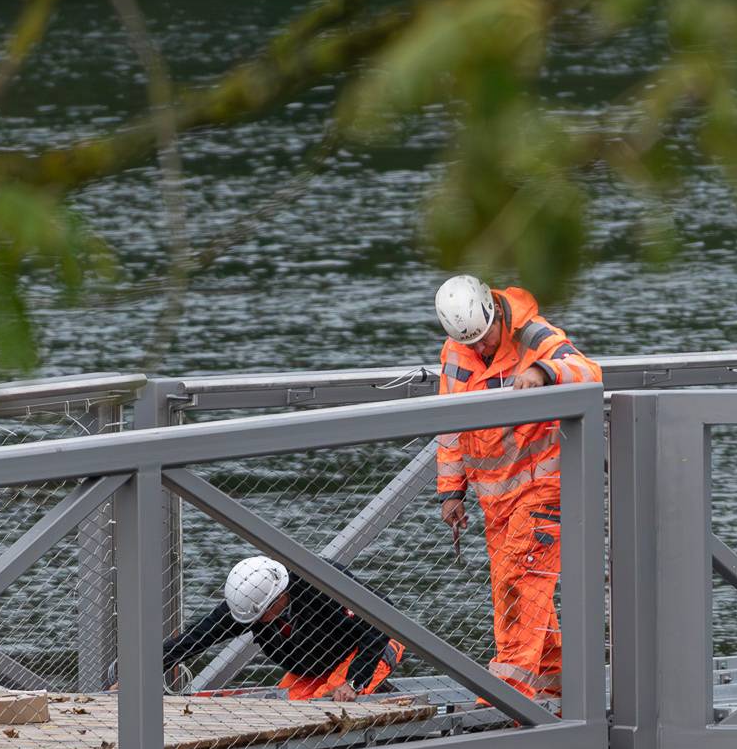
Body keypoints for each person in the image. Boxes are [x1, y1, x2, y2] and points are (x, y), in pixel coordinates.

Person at [432, 274, 601, 699]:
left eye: (485, 339)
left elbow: (588, 370)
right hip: (495, 501)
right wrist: (452, 491)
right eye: (472, 344)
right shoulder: (457, 350)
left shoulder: (531, 333)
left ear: (494, 313)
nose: (482, 349)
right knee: (517, 586)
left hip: (545, 487)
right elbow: (450, 428)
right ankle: (555, 689)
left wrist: (544, 372)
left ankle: (507, 695)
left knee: (520, 582)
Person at [157, 556, 404, 701]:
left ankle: (369, 687)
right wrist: (147, 670)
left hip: (371, 646)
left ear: (277, 599)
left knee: (331, 700)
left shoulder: (321, 584)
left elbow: (380, 619)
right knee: (290, 707)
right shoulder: (251, 602)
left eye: (261, 616)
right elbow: (200, 635)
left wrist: (354, 681)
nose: (255, 623)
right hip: (316, 664)